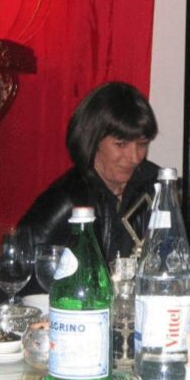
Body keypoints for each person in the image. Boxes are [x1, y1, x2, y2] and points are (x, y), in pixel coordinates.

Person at [17, 81, 159, 294]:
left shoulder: (156, 187)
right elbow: (13, 277)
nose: (134, 157)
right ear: (93, 140)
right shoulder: (67, 198)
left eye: (142, 144)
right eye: (121, 144)